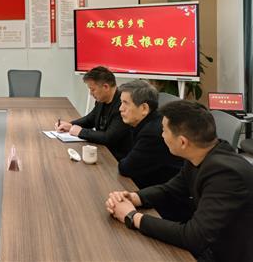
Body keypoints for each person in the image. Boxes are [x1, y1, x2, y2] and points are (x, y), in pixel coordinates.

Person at [105, 100, 253, 262]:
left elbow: (193, 237)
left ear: (182, 142)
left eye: (164, 130)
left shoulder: (226, 175)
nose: (161, 135)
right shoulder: (203, 153)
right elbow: (171, 189)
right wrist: (134, 197)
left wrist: (132, 217)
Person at [56, 66, 131, 160]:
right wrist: (70, 125)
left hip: (116, 158)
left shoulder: (122, 105)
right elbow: (90, 119)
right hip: (103, 151)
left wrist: (81, 132)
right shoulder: (102, 100)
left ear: (106, 87)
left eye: (93, 89)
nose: (91, 93)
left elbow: (109, 137)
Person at [116, 80, 182, 188]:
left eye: (126, 103)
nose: (120, 108)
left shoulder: (152, 134)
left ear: (144, 108)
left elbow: (126, 168)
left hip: (160, 191)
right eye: (121, 102)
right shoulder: (150, 120)